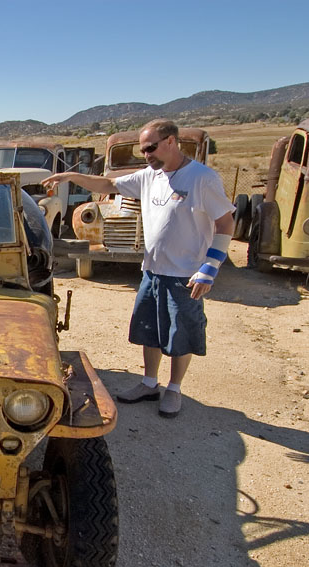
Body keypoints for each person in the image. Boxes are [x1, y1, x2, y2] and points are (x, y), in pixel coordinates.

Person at [43, 119, 235, 418]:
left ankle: (173, 388)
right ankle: (149, 383)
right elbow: (108, 184)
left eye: (151, 148)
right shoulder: (150, 176)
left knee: (179, 333)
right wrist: (71, 176)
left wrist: (210, 266)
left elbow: (225, 223)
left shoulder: (201, 178)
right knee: (149, 330)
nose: (146, 155)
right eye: (143, 150)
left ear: (172, 141)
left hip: (185, 274)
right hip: (153, 270)